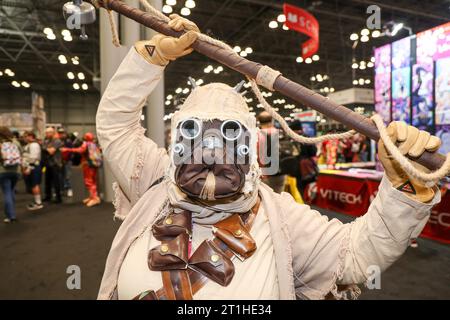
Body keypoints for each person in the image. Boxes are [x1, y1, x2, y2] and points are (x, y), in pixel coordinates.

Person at [96, 15, 442, 300]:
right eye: (196, 133)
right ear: (176, 140)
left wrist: (403, 189)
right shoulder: (154, 180)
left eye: (229, 134)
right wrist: (151, 56)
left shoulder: (281, 217)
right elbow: (116, 126)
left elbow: (353, 255)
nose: (212, 150)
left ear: (250, 144)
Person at [61, 133, 102, 207]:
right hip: (94, 164)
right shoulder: (94, 144)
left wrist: (67, 149)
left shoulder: (86, 144)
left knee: (89, 182)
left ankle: (95, 198)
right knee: (93, 181)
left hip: (87, 165)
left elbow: (80, 150)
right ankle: (92, 197)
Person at [257, 111, 286, 193]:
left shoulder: (258, 135)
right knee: (279, 195)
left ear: (259, 121)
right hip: (281, 169)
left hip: (266, 172)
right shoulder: (279, 133)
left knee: (267, 199)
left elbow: (257, 155)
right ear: (272, 120)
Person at [0, 127, 22, 223]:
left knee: (7, 192)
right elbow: (21, 154)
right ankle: (11, 212)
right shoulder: (16, 142)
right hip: (16, 171)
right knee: (11, 190)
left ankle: (10, 215)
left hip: (3, 171)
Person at [22, 131, 43, 211]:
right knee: (32, 185)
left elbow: (33, 158)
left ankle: (38, 203)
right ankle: (37, 201)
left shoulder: (34, 145)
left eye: (25, 136)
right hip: (30, 167)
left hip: (33, 167)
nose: (24, 138)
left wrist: (29, 168)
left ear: (30, 136)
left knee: (35, 185)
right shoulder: (29, 145)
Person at [42, 127, 63, 203]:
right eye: (46, 133)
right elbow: (43, 147)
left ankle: (58, 198)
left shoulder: (57, 141)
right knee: (47, 181)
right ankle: (48, 196)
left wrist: (46, 148)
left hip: (55, 164)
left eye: (48, 133)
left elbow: (51, 151)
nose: (46, 134)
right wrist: (47, 148)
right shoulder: (46, 141)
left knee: (56, 182)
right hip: (48, 164)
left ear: (52, 133)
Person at [57, 127, 74, 197]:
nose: (61, 135)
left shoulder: (68, 141)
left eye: (62, 133)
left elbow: (70, 151)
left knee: (67, 176)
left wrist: (66, 158)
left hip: (67, 161)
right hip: (59, 161)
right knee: (60, 177)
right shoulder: (57, 141)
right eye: (59, 133)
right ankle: (62, 190)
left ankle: (69, 189)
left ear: (65, 133)